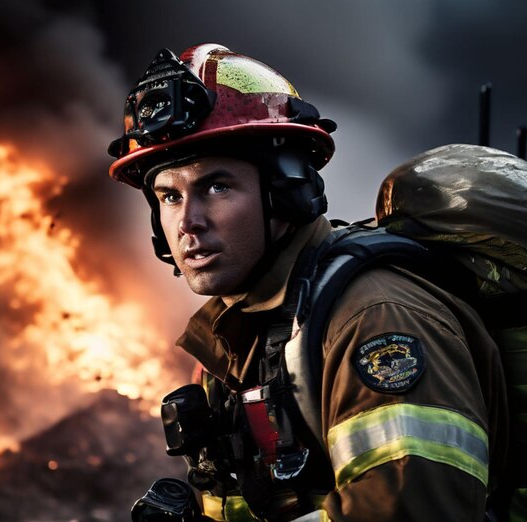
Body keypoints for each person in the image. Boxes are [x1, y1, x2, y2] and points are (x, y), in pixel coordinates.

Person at [108, 44, 508, 522]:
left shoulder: (373, 319)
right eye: (169, 196)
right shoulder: (236, 342)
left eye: (217, 186)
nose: (188, 223)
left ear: (287, 188)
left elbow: (412, 511)